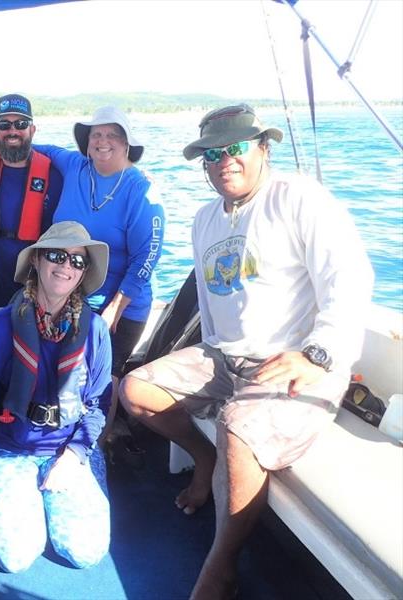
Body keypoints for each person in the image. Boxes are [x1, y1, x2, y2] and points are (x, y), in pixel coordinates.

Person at [119, 104, 374, 599]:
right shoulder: (205, 219)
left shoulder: (299, 198)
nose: (223, 162)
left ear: (263, 147)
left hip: (299, 360)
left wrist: (318, 354)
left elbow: (351, 278)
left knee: (237, 425)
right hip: (224, 355)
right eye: (211, 154)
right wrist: (211, 360)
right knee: (136, 389)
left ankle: (222, 565)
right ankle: (204, 459)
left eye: (235, 148)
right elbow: (213, 311)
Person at [0, 221, 113, 573]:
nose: (66, 266)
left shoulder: (97, 331)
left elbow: (97, 407)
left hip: (66, 450)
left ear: (84, 273)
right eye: (57, 256)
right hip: (9, 448)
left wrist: (73, 457)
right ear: (37, 262)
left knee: (85, 552)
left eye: (77, 261)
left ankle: (87, 471)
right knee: (14, 558)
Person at [33, 105, 165, 439]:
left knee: (104, 371)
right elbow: (38, 147)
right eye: (96, 134)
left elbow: (147, 257)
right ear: (87, 141)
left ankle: (95, 441)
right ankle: (56, 430)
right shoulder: (74, 165)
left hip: (121, 301)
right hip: (69, 291)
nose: (103, 142)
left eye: (113, 135)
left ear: (126, 144)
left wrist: (114, 309)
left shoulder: (140, 189)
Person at [0, 93, 63, 307]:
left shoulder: (55, 175)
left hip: (39, 278)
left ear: (32, 130)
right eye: (4, 124)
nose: (12, 131)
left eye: (21, 124)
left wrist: (128, 170)